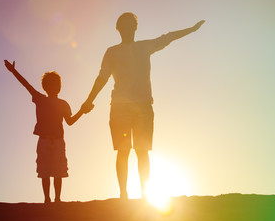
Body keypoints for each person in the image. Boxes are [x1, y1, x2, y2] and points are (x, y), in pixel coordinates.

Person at [81, 12, 205, 199]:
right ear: (118, 28)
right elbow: (102, 77)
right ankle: (123, 193)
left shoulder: (145, 46)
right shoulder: (111, 51)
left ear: (135, 27)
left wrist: (192, 29)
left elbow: (169, 37)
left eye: (131, 24)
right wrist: (89, 100)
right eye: (124, 24)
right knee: (123, 151)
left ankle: (145, 194)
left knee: (142, 150)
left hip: (143, 106)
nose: (127, 27)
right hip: (120, 106)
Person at [4, 60, 93, 203]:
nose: (55, 87)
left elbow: (69, 122)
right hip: (44, 141)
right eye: (51, 84)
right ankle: (47, 199)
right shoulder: (39, 98)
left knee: (58, 172)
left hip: (58, 141)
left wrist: (82, 111)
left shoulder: (63, 104)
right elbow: (26, 84)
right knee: (45, 171)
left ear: (60, 86)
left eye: (57, 84)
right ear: (45, 87)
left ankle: (57, 199)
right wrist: (14, 71)